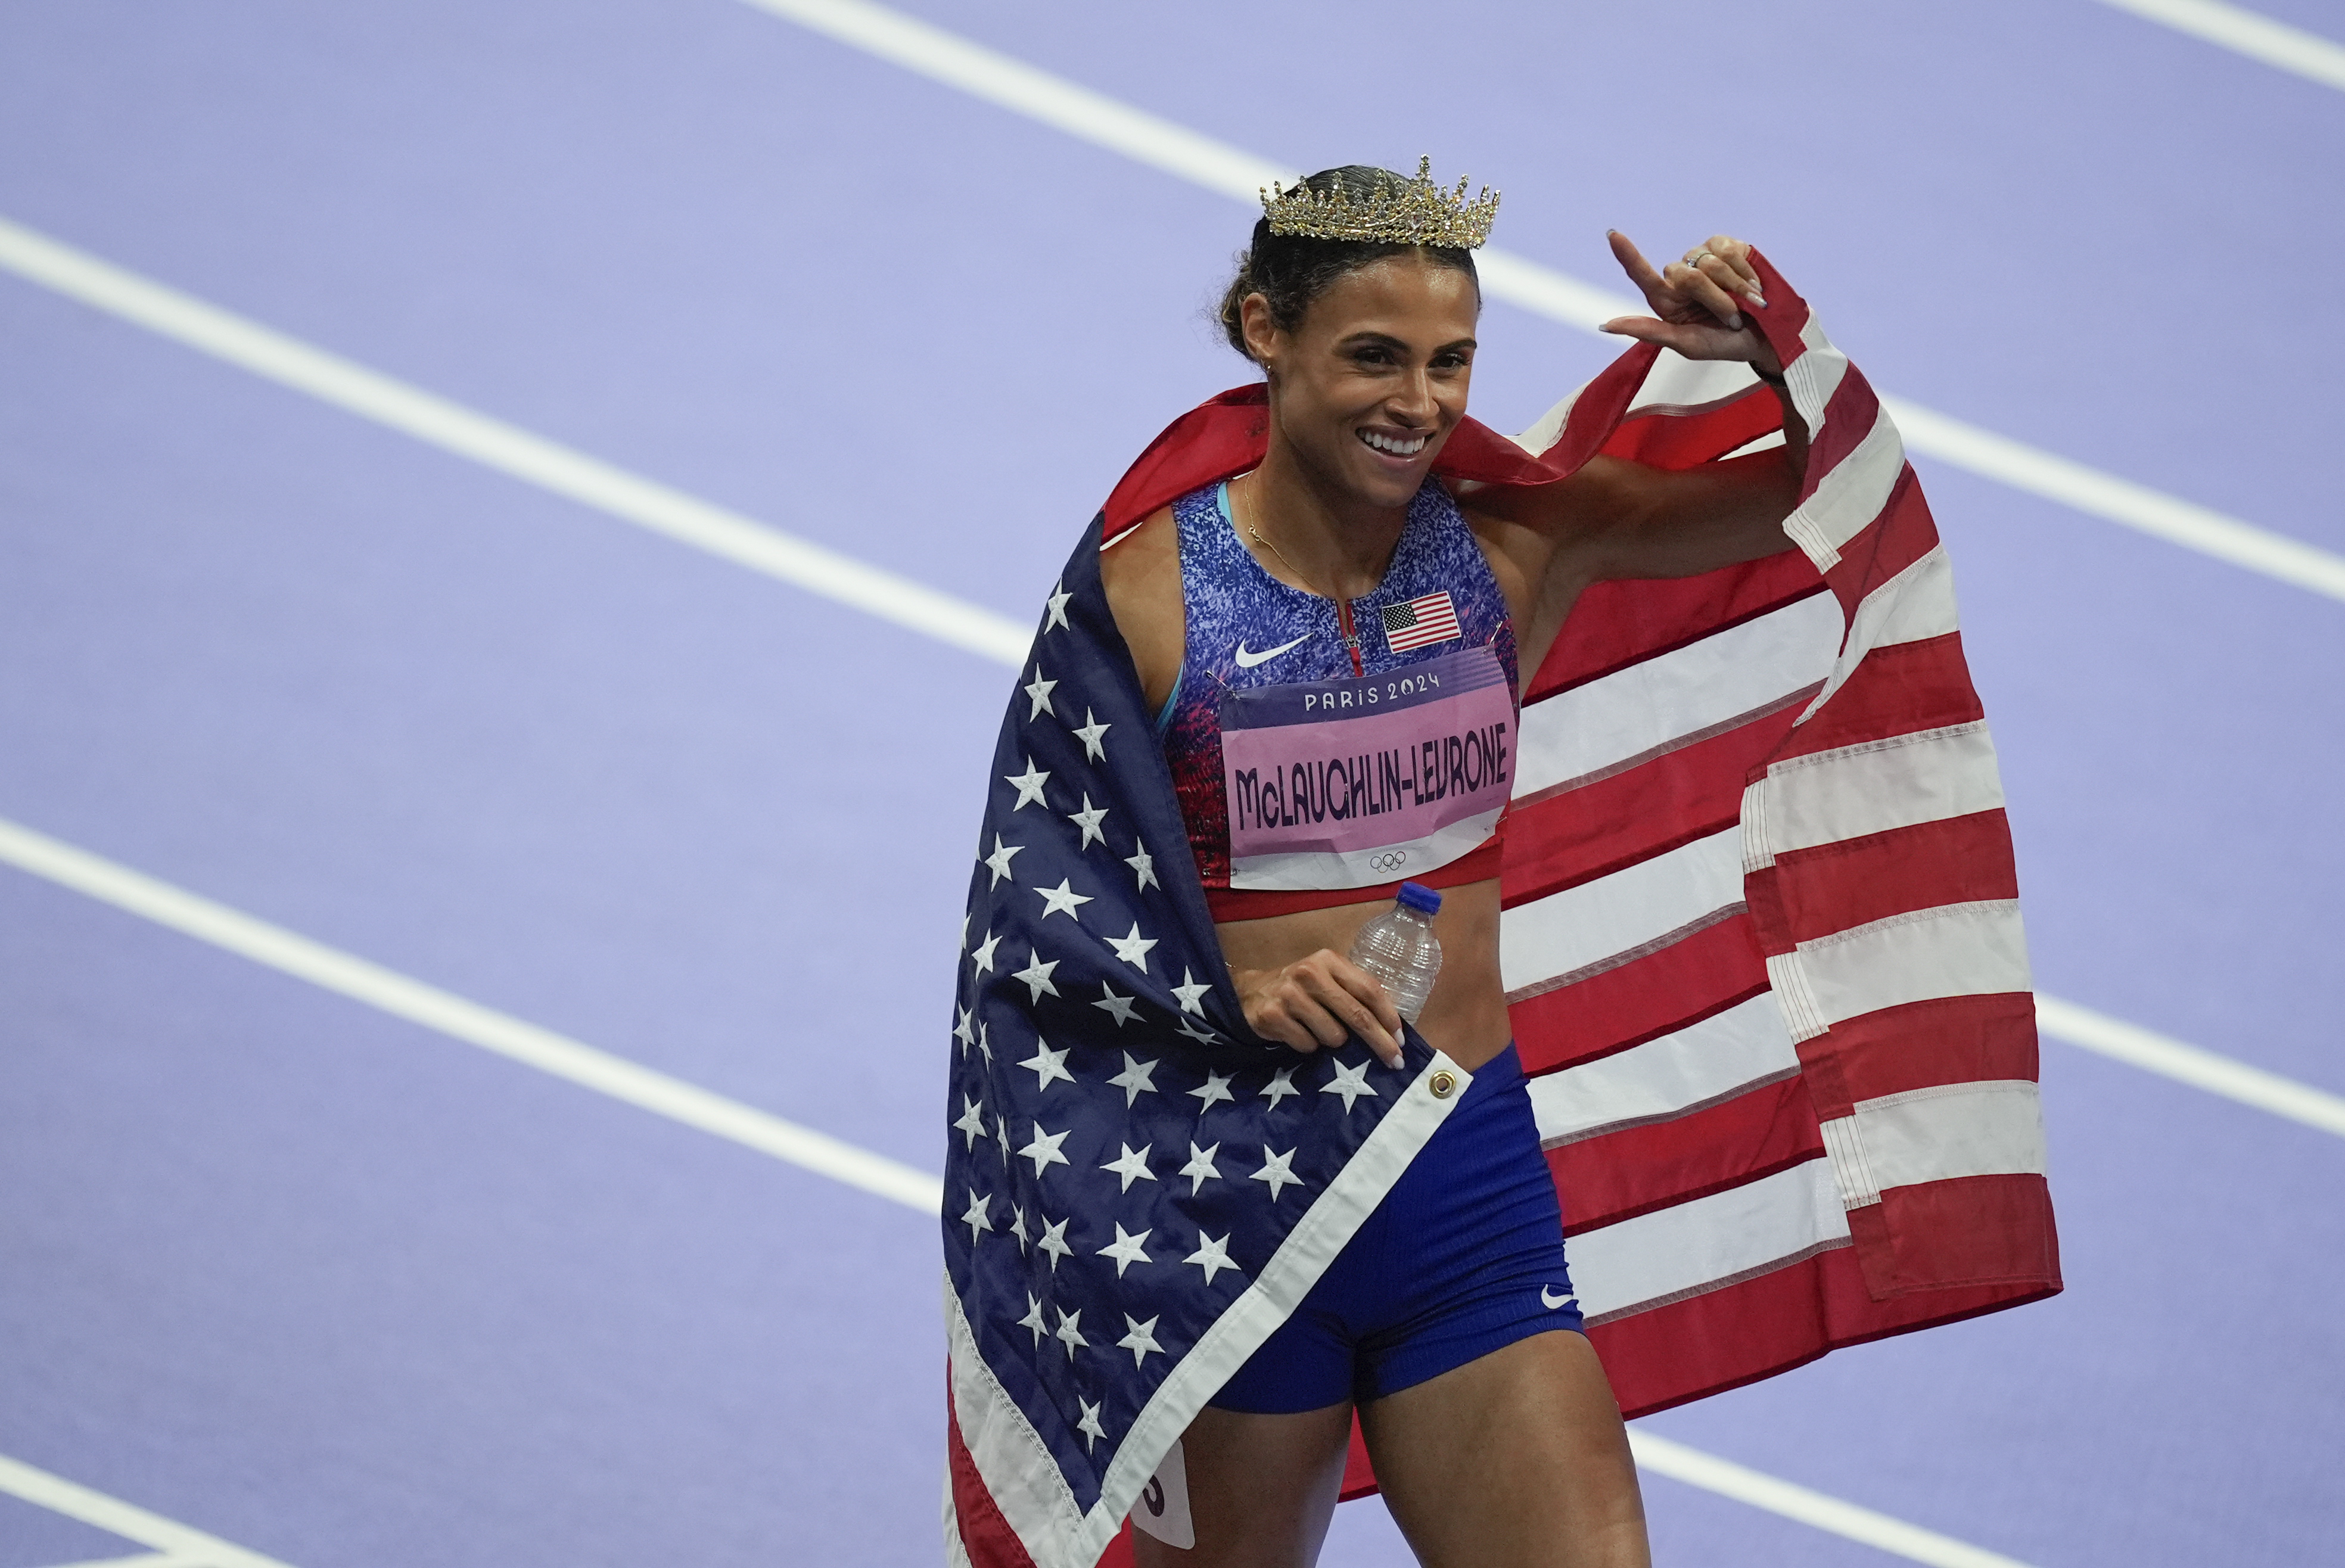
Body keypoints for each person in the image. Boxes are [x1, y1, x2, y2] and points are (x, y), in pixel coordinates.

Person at [1094, 163, 1811, 1568]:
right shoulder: (1142, 599)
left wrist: (1773, 359)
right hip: (1233, 1202)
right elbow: (1049, 920)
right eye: (1374, 355)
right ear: (1264, 332)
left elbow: (1814, 499)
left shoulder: (1515, 546)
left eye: (1450, 362)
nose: (1417, 403)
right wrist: (1225, 995)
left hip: (1459, 1189)